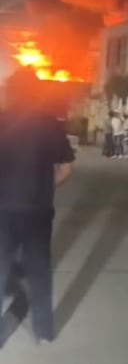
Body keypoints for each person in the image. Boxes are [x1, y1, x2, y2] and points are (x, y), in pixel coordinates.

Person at [0, 70, 76, 344]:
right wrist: (47, 187)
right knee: (40, 272)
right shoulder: (49, 124)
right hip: (38, 212)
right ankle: (44, 332)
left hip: (4, 211)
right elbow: (67, 168)